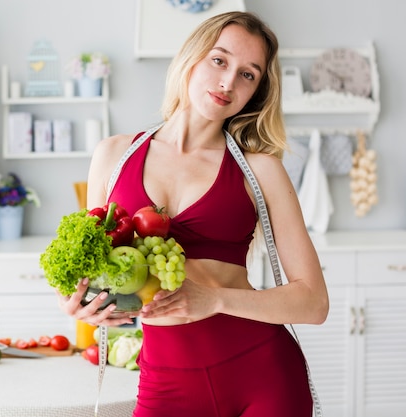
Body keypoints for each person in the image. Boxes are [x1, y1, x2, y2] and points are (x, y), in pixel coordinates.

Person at [58, 10, 329, 417]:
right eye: (219, 60)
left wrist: (214, 299)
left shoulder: (260, 169)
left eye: (248, 74)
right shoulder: (112, 156)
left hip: (263, 374)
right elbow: (96, 273)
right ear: (192, 57)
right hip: (166, 381)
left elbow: (313, 303)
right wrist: (81, 305)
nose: (228, 82)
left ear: (257, 91)